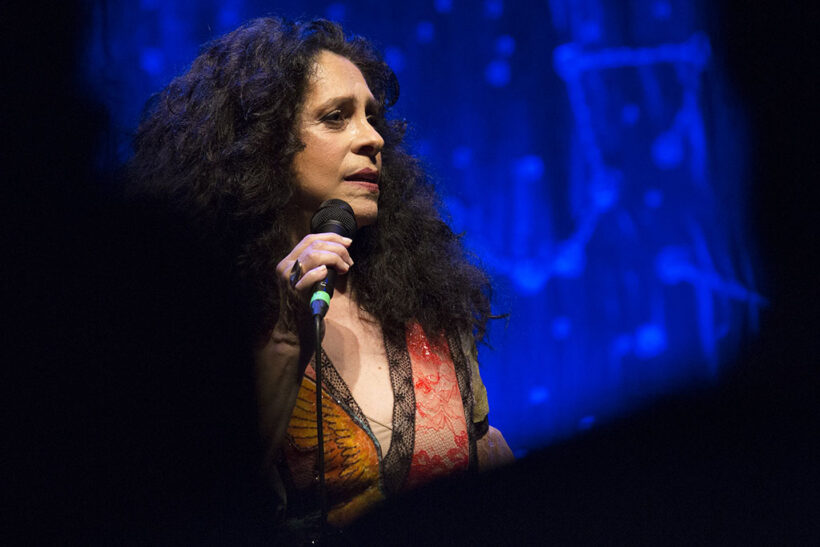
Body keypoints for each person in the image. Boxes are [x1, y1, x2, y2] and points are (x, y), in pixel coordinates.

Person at [129, 17, 513, 539]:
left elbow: (482, 450)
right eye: (336, 118)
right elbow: (199, 503)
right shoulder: (204, 319)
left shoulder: (424, 299)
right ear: (263, 143)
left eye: (372, 117)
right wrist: (285, 339)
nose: (372, 138)